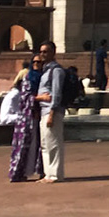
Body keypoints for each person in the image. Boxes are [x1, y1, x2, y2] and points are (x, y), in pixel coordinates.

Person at [34, 42, 69, 183]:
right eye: (41, 51)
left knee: (54, 143)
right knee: (45, 144)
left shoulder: (56, 71)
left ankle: (56, 174)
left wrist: (52, 113)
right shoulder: (45, 70)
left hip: (51, 110)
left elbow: (56, 93)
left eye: (46, 52)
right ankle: (48, 174)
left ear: (53, 53)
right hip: (43, 110)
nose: (43, 54)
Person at [4, 65, 42, 183]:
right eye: (34, 62)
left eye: (39, 62)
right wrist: (39, 99)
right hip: (25, 118)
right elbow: (26, 100)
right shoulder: (19, 90)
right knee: (24, 147)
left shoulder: (43, 78)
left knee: (36, 147)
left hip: (36, 118)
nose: (36, 64)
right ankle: (19, 172)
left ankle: (37, 171)